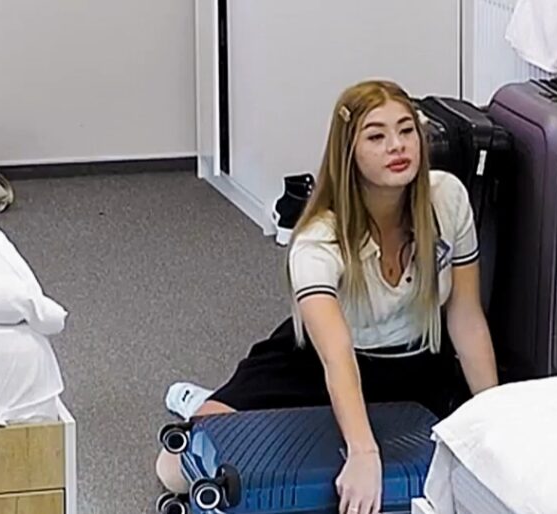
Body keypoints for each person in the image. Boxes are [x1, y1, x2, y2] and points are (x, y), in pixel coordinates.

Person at [157, 79, 500, 513]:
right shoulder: (318, 239)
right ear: (348, 152)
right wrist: (363, 451)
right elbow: (337, 357)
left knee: (454, 477)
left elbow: (466, 319)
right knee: (177, 469)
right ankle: (206, 402)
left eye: (406, 130)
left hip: (417, 361)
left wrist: (496, 419)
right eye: (376, 136)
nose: (397, 146)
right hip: (318, 362)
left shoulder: (448, 197)